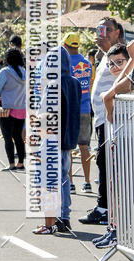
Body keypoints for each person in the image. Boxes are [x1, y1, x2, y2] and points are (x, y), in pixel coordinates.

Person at [79, 17, 124, 226]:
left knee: (108, 165)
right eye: (98, 28)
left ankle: (105, 209)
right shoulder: (107, 56)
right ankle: (105, 207)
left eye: (106, 29)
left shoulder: (121, 55)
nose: (100, 33)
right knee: (104, 163)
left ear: (117, 33)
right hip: (102, 120)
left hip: (112, 120)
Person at [91, 43, 134, 251]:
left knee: (124, 189)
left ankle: (120, 231)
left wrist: (109, 107)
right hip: (118, 139)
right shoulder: (123, 74)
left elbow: (108, 97)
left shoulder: (129, 76)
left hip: (127, 140)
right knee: (116, 186)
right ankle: (114, 229)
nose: (115, 67)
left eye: (120, 62)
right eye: (111, 64)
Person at [33, 47, 81, 234]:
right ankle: (64, 217)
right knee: (64, 179)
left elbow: (43, 115)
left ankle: (50, 222)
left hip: (51, 137)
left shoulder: (53, 84)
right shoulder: (75, 83)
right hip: (68, 137)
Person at [63, 32, 93, 192]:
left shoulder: (65, 63)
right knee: (84, 147)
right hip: (85, 109)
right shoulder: (87, 63)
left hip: (70, 110)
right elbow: (90, 84)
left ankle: (71, 183)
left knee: (68, 147)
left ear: (65, 46)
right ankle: (87, 182)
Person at [0, 48, 26, 170]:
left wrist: (3, 94)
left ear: (7, 59)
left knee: (7, 137)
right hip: (22, 110)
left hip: (6, 110)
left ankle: (11, 164)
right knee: (18, 137)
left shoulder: (4, 72)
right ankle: (21, 163)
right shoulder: (24, 72)